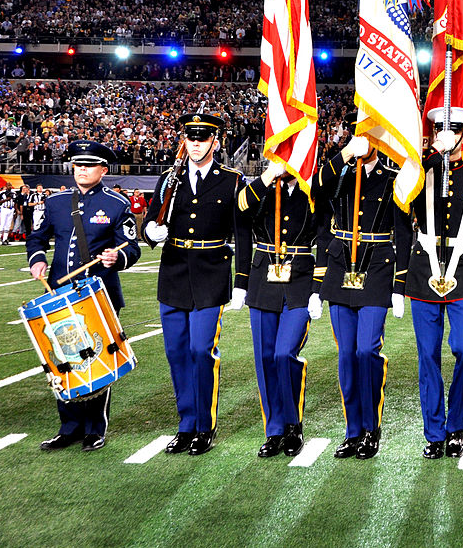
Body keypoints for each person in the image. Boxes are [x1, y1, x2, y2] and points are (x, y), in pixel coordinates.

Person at [26, 140, 142, 452]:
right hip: (59, 295)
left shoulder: (117, 204)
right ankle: (69, 428)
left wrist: (116, 258)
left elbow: (132, 247)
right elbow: (37, 236)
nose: (82, 170)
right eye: (78, 165)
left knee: (97, 360)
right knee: (62, 361)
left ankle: (94, 428)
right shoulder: (56, 202)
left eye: (89, 165)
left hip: (98, 295)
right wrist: (37, 259)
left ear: (104, 169)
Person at [142, 113, 248, 456]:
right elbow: (151, 220)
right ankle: (186, 425)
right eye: (191, 137)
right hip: (173, 272)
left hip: (210, 273)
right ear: (184, 141)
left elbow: (242, 234)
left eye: (203, 138)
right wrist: (150, 232)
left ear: (215, 142)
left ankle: (205, 425)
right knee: (176, 354)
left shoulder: (232, 181)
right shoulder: (167, 179)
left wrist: (241, 281)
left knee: (201, 351)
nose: (197, 143)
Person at [316, 123, 412, 461]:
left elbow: (403, 234)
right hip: (341, 270)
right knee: (345, 356)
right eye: (359, 137)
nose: (364, 143)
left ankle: (372, 427)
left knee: (366, 351)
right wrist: (344, 154)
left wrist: (400, 285)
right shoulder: (340, 174)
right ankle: (353, 430)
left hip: (377, 272)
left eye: (370, 137)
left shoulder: (391, 179)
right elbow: (316, 186)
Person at [406, 108, 463, 460]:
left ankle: (457, 426)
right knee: (427, 356)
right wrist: (429, 155)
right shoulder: (418, 172)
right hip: (422, 272)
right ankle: (435, 432)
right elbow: (402, 198)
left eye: (451, 131)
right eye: (440, 131)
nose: (445, 136)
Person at [236, 156, 323, 459]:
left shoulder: (311, 189)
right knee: (264, 358)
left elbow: (323, 236)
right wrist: (267, 177)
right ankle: (274, 430)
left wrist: (317, 289)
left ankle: (293, 424)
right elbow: (242, 207)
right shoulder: (261, 189)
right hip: (263, 281)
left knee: (284, 353)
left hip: (300, 280)